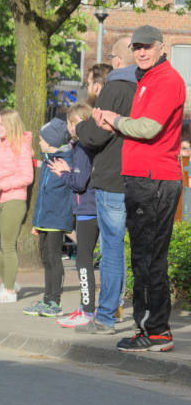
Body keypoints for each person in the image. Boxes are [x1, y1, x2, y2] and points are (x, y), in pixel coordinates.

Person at [97, 25, 186, 352]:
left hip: (154, 180)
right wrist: (116, 123)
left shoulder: (166, 80)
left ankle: (156, 331)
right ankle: (151, 328)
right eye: (137, 47)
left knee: (148, 258)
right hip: (146, 178)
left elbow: (149, 128)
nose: (142, 52)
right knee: (145, 257)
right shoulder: (147, 79)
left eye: (147, 46)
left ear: (162, 47)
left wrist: (114, 119)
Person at [74, 37, 136, 333]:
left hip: (113, 176)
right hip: (142, 177)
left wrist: (82, 127)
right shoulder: (146, 87)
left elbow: (96, 134)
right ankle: (142, 318)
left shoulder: (116, 86)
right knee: (139, 248)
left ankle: (107, 316)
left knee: (112, 248)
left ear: (118, 61)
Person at [49, 104, 99, 328]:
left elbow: (79, 183)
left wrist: (63, 173)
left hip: (88, 208)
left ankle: (87, 310)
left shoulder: (82, 147)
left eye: (72, 123)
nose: (69, 127)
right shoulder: (90, 144)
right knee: (89, 258)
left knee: (83, 260)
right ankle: (87, 307)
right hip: (92, 207)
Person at [23, 118, 74, 317]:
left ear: (52, 141)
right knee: (46, 258)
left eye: (43, 139)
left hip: (57, 218)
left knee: (54, 258)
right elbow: (42, 194)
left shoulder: (64, 161)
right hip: (45, 218)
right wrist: (37, 222)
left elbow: (67, 190)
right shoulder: (47, 160)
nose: (40, 142)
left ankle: (55, 301)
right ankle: (47, 300)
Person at [0, 109, 34, 303]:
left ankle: (10, 290)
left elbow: (27, 177)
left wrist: (4, 184)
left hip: (15, 199)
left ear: (11, 125)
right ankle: (9, 281)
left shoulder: (22, 145)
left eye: (1, 124)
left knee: (7, 244)